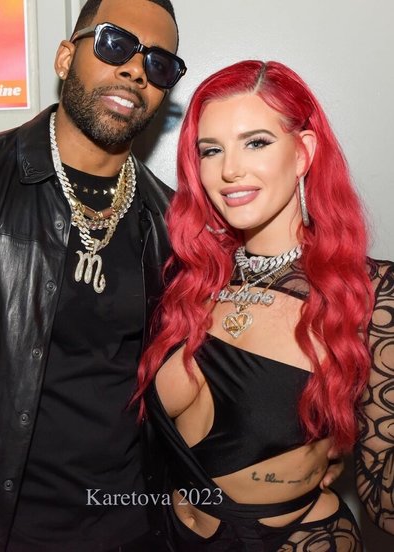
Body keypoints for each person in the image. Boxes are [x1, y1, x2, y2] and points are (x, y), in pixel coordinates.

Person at [0, 1, 187, 551]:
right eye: (116, 44)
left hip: (132, 530)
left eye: (159, 64)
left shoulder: (170, 222)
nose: (136, 70)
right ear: (65, 57)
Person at [135, 59, 394, 551]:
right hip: (165, 537)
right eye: (212, 150)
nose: (229, 169)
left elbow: (384, 498)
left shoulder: (370, 292)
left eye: (256, 142)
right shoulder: (186, 279)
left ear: (303, 153)